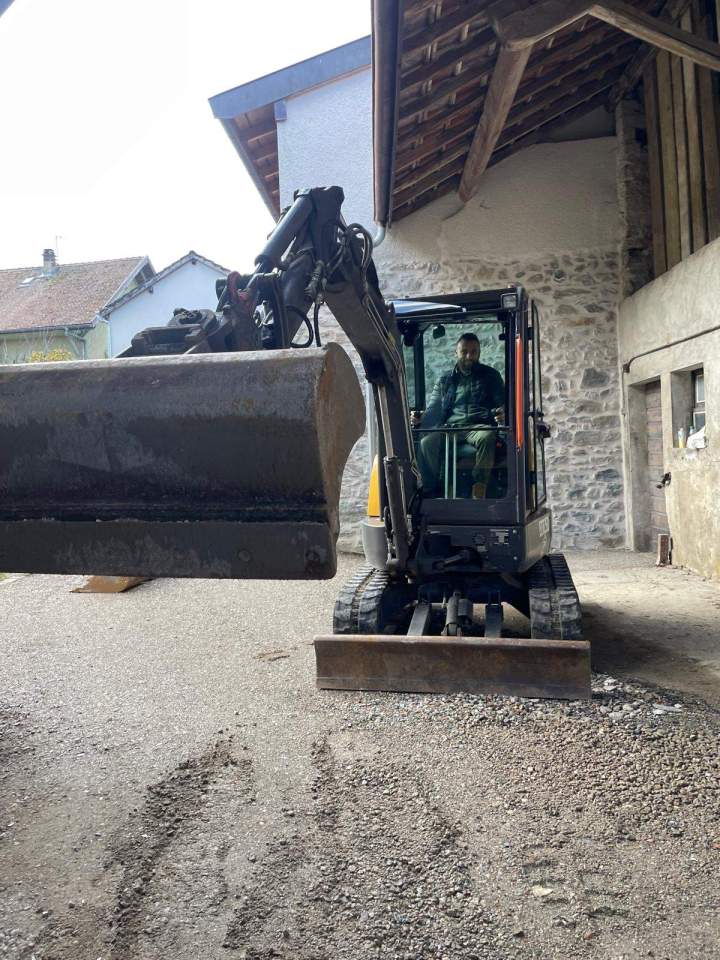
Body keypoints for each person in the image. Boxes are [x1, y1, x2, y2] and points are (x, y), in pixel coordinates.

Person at [413, 332, 504, 498]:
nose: (469, 356)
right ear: (456, 352)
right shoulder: (445, 379)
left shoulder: (491, 376)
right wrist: (420, 417)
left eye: (473, 352)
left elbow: (503, 404)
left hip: (478, 426)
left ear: (479, 353)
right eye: (464, 351)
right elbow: (434, 409)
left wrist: (503, 413)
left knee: (488, 436)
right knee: (426, 443)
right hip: (451, 428)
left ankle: (479, 485)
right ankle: (433, 488)